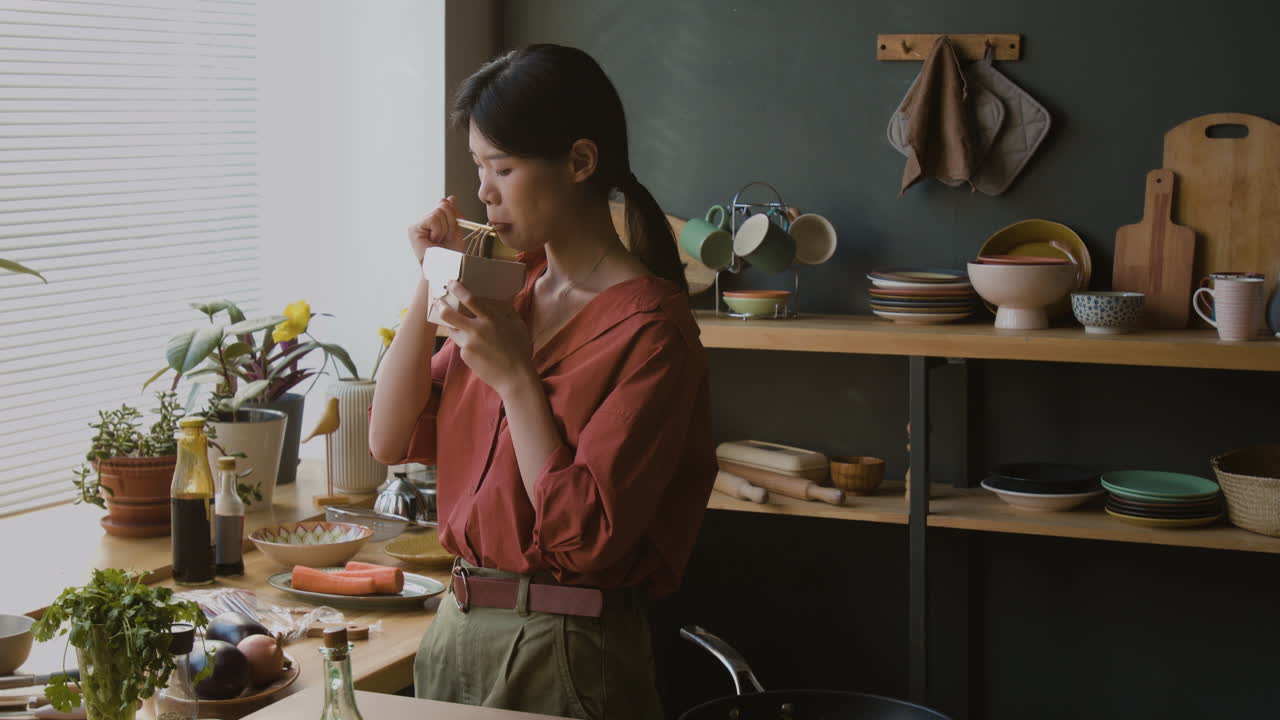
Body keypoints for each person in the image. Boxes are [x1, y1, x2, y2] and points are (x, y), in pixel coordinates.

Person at [368, 43, 717, 720]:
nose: (485, 191)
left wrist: (518, 379)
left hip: (566, 649)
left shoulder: (653, 330)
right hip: (456, 631)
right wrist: (433, 274)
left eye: (504, 166)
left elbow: (585, 539)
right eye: (478, 168)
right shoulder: (511, 291)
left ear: (580, 163)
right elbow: (389, 437)